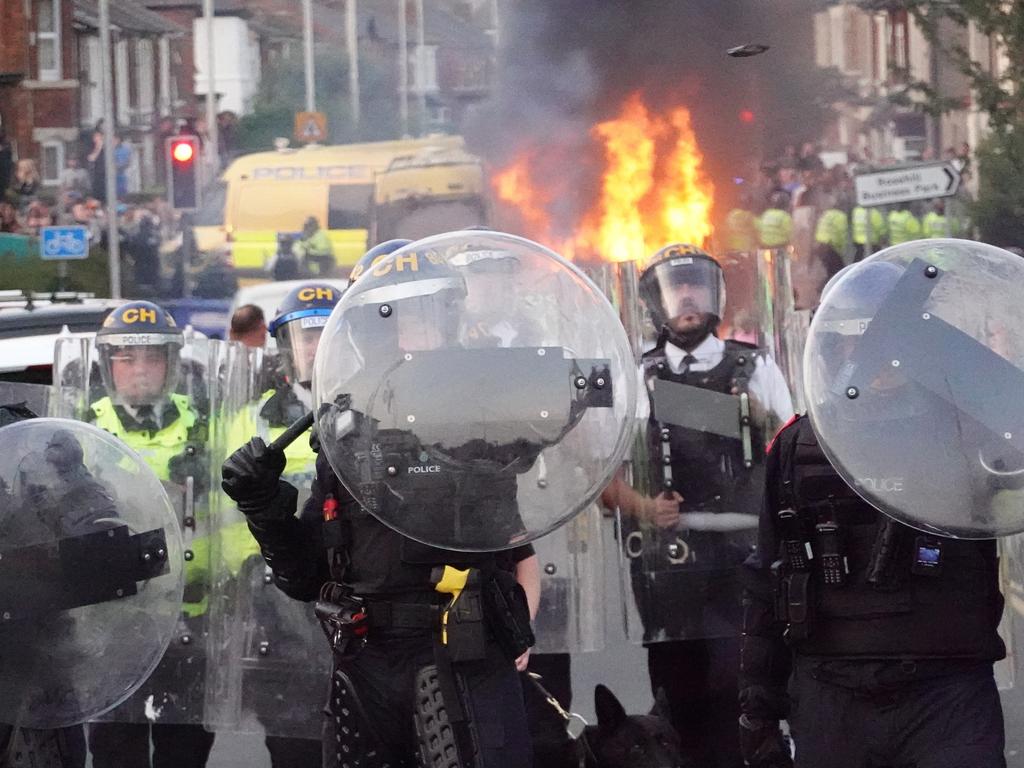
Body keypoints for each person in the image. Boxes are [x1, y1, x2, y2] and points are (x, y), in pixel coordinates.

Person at [222, 247, 541, 768]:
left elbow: (519, 550)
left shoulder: (481, 423)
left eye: (425, 312)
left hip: (465, 654)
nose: (409, 331)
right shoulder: (344, 431)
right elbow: (307, 576)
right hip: (366, 661)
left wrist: (518, 635)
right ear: (365, 329)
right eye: (391, 316)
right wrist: (265, 508)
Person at [738, 261, 1007, 768]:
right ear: (835, 347)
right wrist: (758, 709)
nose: (878, 360)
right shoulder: (799, 445)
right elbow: (768, 577)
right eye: (858, 343)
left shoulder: (970, 430)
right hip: (830, 693)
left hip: (946, 692)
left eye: (892, 343)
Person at [603, 244, 793, 768]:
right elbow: (598, 474)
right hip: (667, 561)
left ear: (715, 296)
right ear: (653, 303)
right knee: (675, 691)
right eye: (674, 287)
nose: (686, 297)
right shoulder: (635, 377)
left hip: (743, 553)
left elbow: (792, 450)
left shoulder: (754, 367)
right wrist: (644, 506)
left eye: (695, 285)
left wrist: (753, 417)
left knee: (739, 685)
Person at [85, 301, 217, 768]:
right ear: (107, 365)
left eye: (152, 357)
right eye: (126, 358)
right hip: (112, 623)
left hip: (191, 619)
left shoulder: (210, 424)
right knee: (115, 751)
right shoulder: (82, 426)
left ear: (171, 364)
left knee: (185, 751)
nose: (140, 370)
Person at [223, 282, 341, 767]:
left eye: (328, 332)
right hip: (281, 614)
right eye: (304, 335)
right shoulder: (252, 419)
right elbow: (230, 519)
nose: (316, 345)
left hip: (367, 602)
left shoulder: (388, 407)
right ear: (284, 348)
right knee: (293, 749)